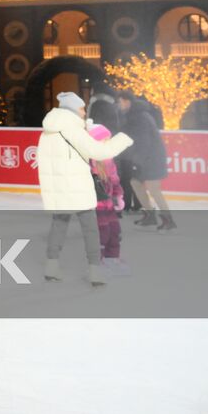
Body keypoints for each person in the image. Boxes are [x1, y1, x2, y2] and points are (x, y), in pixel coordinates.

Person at [37, 92, 133, 286]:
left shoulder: (48, 130)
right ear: (73, 110)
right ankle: (94, 271)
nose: (83, 112)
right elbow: (99, 152)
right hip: (76, 186)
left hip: (58, 187)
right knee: (90, 229)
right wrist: (124, 139)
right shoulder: (72, 129)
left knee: (59, 225)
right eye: (81, 108)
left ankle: (51, 266)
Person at [117, 90, 174, 230]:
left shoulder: (139, 117)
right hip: (145, 157)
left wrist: (137, 162)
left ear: (126, 101)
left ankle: (169, 220)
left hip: (151, 158)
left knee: (154, 189)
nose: (118, 105)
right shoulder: (132, 115)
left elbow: (143, 142)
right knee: (135, 183)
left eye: (119, 102)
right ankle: (150, 215)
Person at [86, 95, 128, 276]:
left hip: (109, 205)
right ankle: (97, 263)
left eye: (107, 140)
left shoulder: (108, 159)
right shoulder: (89, 161)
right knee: (101, 234)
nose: (106, 143)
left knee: (115, 232)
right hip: (96, 206)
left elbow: (115, 179)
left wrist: (118, 195)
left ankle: (112, 259)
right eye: (102, 140)